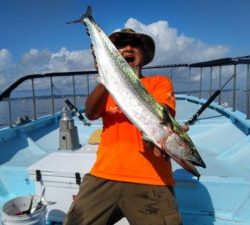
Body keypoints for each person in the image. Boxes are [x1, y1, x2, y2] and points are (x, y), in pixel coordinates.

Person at [63, 28, 183, 225]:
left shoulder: (159, 82)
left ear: (144, 56)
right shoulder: (106, 89)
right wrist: (107, 75)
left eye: (135, 45)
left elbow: (164, 113)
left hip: (151, 178)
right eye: (120, 45)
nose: (128, 47)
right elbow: (91, 113)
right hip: (103, 174)